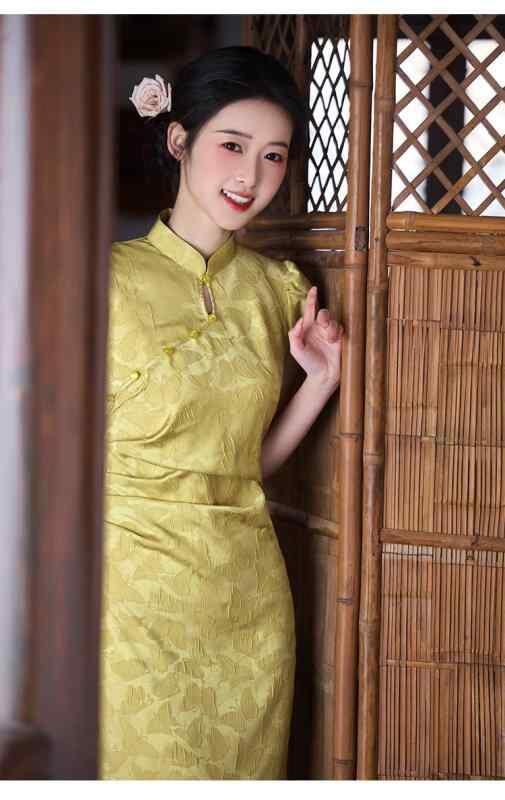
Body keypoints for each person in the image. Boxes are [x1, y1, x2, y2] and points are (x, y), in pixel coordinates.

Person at [99, 45, 344, 780]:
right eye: (232, 146)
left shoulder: (278, 291)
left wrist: (319, 383)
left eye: (273, 157)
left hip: (246, 603)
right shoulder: (101, 280)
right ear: (180, 139)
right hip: (126, 596)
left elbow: (245, 465)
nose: (251, 177)